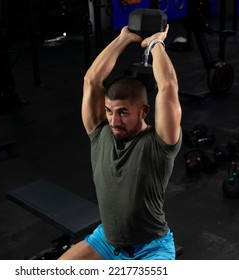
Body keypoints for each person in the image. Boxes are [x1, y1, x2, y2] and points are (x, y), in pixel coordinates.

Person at [59, 24, 182, 260]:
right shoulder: (100, 133)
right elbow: (92, 80)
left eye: (123, 112)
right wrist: (123, 38)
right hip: (106, 240)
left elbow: (168, 88)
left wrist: (156, 43)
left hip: (151, 248)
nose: (114, 121)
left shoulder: (159, 144)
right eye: (109, 111)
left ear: (144, 111)